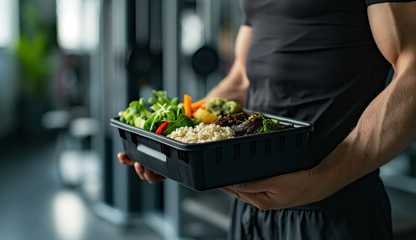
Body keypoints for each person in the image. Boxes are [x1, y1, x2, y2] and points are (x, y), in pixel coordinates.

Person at [118, 0, 416, 238]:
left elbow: (412, 71)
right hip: (252, 210)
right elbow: (241, 80)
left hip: (333, 209)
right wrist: (173, 142)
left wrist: (318, 182)